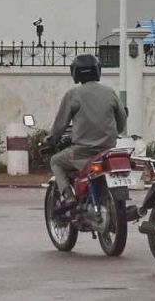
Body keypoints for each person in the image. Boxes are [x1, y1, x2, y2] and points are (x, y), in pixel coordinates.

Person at [46, 54, 125, 214]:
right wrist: (114, 132)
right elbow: (122, 120)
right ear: (97, 70)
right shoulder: (110, 92)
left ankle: (68, 196)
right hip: (107, 152)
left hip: (82, 153)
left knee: (55, 161)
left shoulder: (73, 94)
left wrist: (50, 141)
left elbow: (60, 125)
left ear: (75, 73)